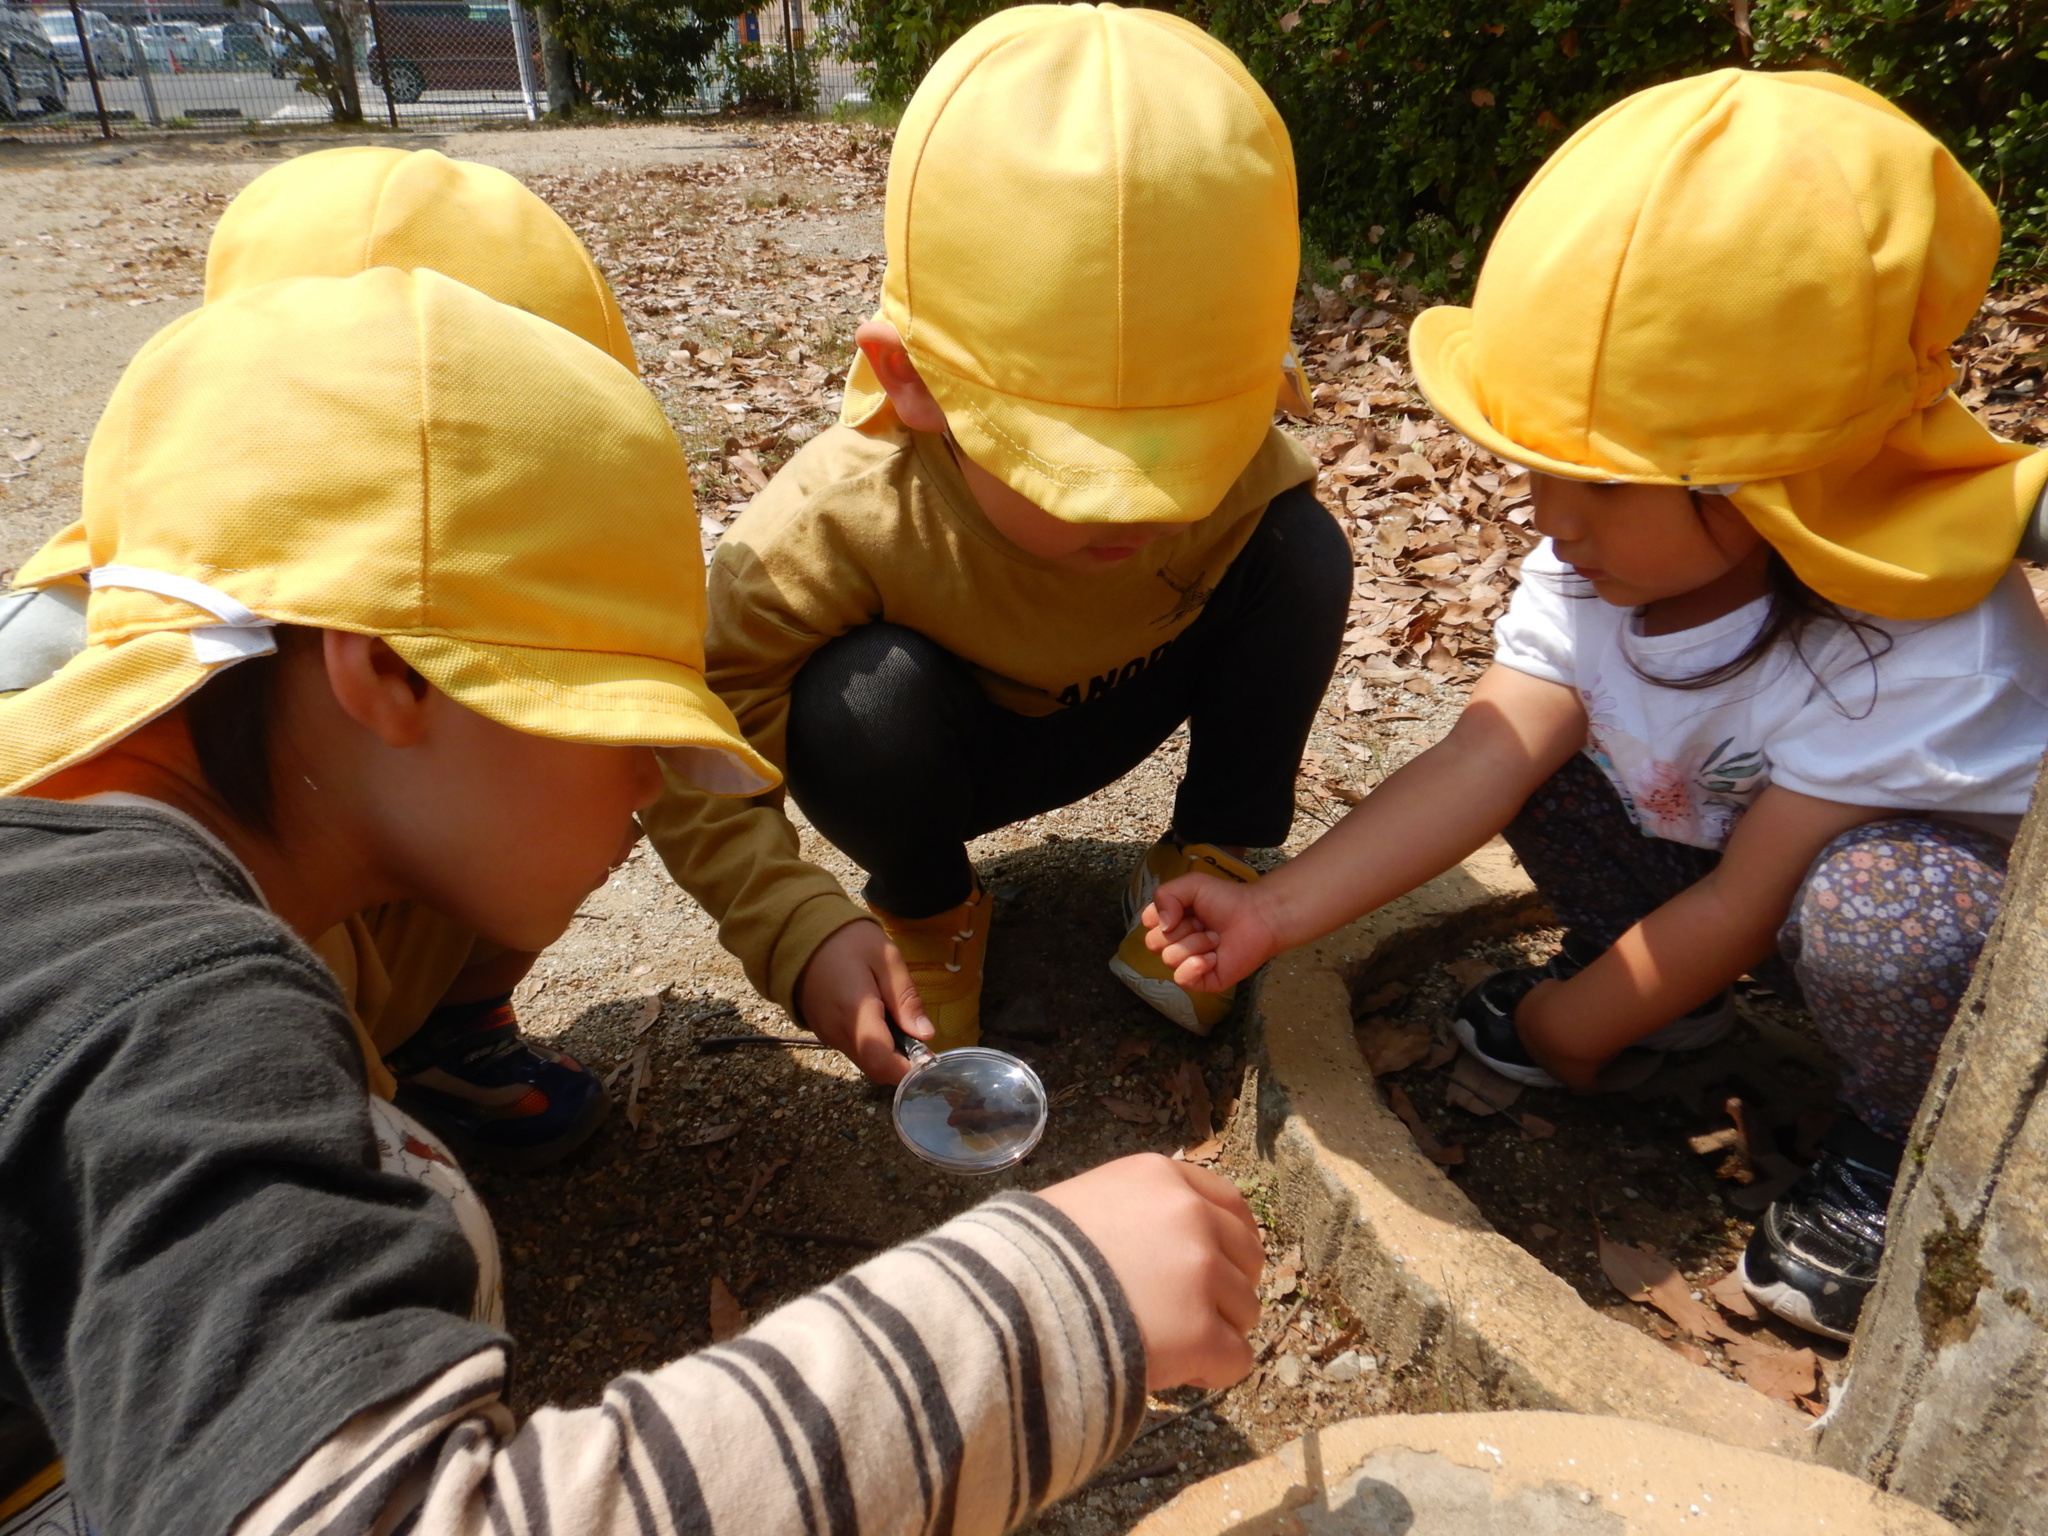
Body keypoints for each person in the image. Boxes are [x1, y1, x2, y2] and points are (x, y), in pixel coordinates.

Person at [0, 270, 1263, 1536]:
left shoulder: (92, 893)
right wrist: (1040, 1313)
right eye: (615, 720)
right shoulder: (180, 1023)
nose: (653, 781)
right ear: (386, 671)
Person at [1141, 69, 2048, 1343]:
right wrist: (1271, 910)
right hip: (1731, 865)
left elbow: (1750, 899)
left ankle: (1895, 1143)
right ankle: (1675, 1012)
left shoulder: (1921, 644)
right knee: (1543, 755)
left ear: (1773, 482)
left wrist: (1573, 1027)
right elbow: (1482, 753)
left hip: (1895, 921)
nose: (1543, 517)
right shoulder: (1600, 565)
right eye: (1534, 469)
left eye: (1596, 483)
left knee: (1886, 913)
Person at [642, 3, 1348, 1078]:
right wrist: (796, 929)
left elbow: (1275, 579)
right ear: (909, 382)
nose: (1136, 511)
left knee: (1300, 552)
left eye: (1179, 455)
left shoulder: (1244, 471)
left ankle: (1209, 853)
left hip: (1136, 688)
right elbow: (697, 742)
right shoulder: (835, 515)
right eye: (1070, 465)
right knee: (853, 702)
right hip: (949, 754)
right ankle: (928, 906)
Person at [1, 145, 641, 1171]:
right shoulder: (78, 716)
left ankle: (443, 1044)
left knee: (551, 764)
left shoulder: (324, 681)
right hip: (201, 1024)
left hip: (334, 864)